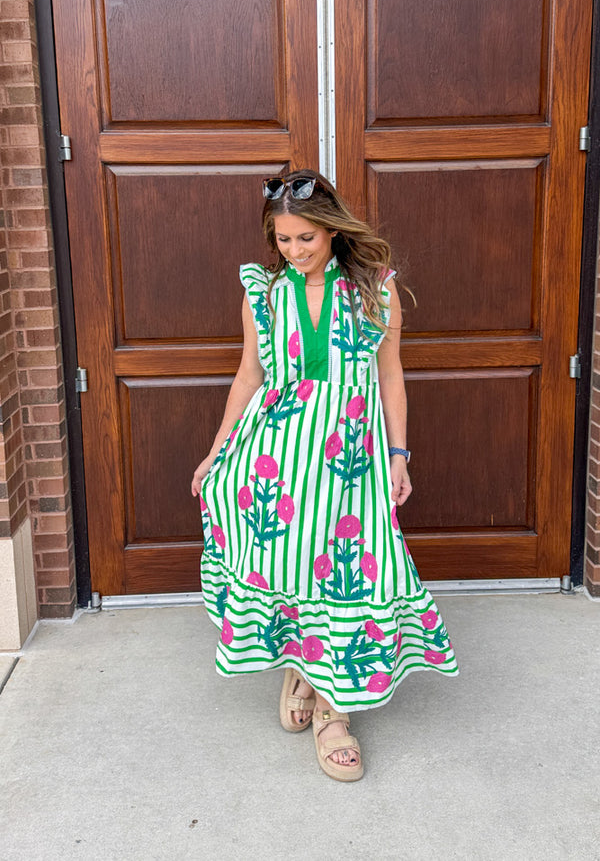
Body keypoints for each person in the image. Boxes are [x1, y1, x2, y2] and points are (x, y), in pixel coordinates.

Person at [191, 170, 458, 782]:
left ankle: (335, 716)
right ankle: (302, 665)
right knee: (287, 565)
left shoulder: (375, 292)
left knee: (348, 579)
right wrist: (217, 448)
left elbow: (390, 376)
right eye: (284, 240)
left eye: (306, 238)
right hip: (275, 458)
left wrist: (399, 454)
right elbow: (248, 377)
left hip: (351, 459)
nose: (295, 251)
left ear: (333, 230)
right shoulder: (262, 292)